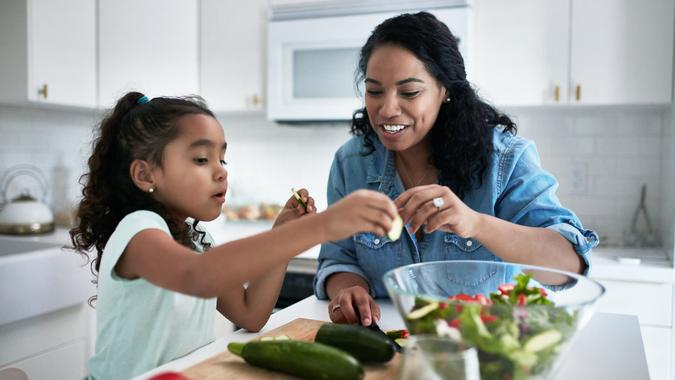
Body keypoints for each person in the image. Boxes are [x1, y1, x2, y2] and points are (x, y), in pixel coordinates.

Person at [69, 92, 398, 379]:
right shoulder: (139, 230)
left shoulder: (198, 241)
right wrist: (320, 226)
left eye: (222, 158)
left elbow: (251, 315)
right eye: (201, 159)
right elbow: (197, 276)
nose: (221, 170)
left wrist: (282, 236)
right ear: (145, 174)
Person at [313, 12, 599, 327]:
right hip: (386, 348)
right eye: (374, 91)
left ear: (445, 90)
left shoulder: (505, 159)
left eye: (409, 92)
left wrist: (475, 223)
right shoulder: (350, 163)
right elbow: (338, 258)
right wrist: (350, 288)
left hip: (482, 350)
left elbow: (568, 265)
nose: (387, 109)